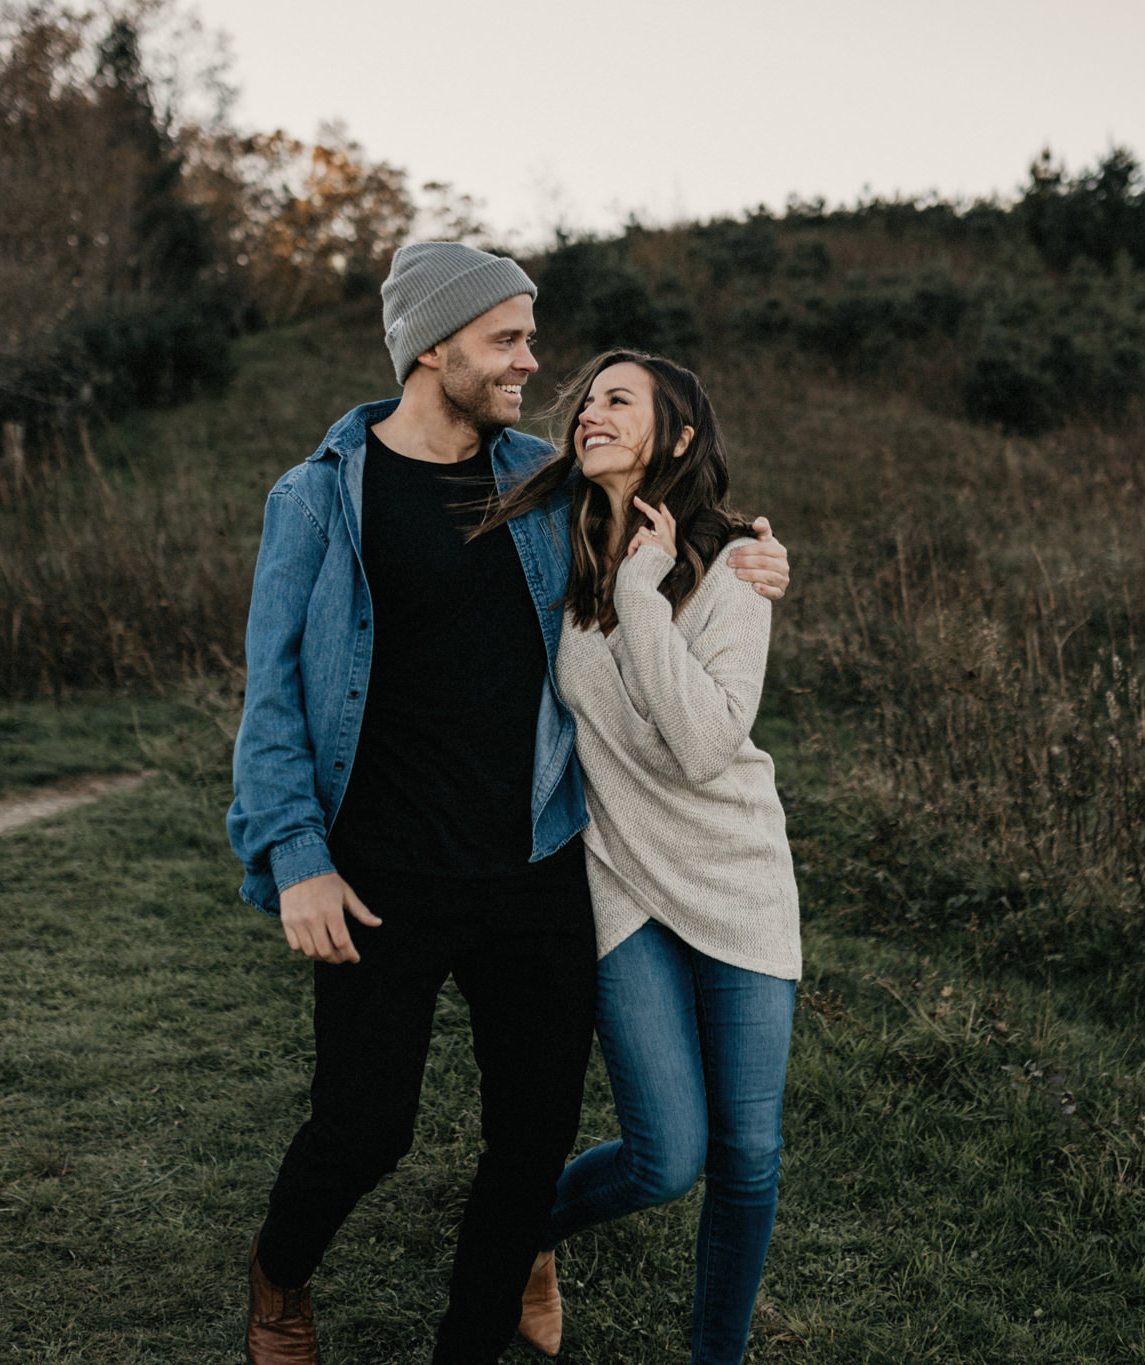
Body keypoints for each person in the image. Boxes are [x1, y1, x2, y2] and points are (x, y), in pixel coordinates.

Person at [225, 246, 790, 1365]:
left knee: (528, 1145)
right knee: (363, 1129)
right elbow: (274, 692)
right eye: (507, 341)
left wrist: (751, 555)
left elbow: (669, 497)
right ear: (430, 348)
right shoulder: (320, 497)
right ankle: (279, 1279)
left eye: (532, 339)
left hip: (538, 863)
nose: (535, 363)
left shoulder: (542, 480)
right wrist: (293, 854)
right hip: (378, 872)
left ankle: (473, 1335)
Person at [480, 350, 801, 1364]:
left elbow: (705, 744)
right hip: (618, 877)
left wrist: (644, 591)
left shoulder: (732, 569)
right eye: (584, 400)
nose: (587, 413)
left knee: (745, 1158)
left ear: (678, 437)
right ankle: (523, 1233)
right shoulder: (553, 547)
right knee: (666, 1159)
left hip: (733, 878)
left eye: (618, 400)